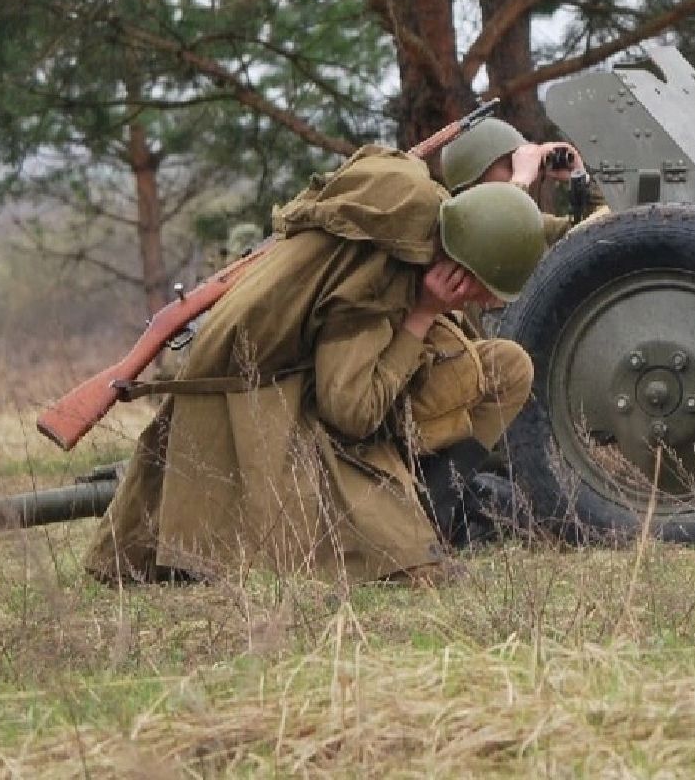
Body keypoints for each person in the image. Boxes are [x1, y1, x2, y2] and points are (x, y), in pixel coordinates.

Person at [87, 146, 549, 586]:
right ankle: (411, 523)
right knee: (401, 559)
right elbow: (351, 414)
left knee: (508, 367)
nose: (488, 303)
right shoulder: (373, 275)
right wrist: (424, 314)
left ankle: (432, 509)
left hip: (340, 390)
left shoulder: (420, 235)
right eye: (485, 290)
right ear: (461, 269)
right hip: (289, 407)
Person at [437, 118, 599, 244]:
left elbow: (597, 233)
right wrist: (520, 179)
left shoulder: (536, 226)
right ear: (471, 186)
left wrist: (583, 182)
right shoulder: (460, 237)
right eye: (511, 164)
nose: (529, 172)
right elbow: (498, 235)